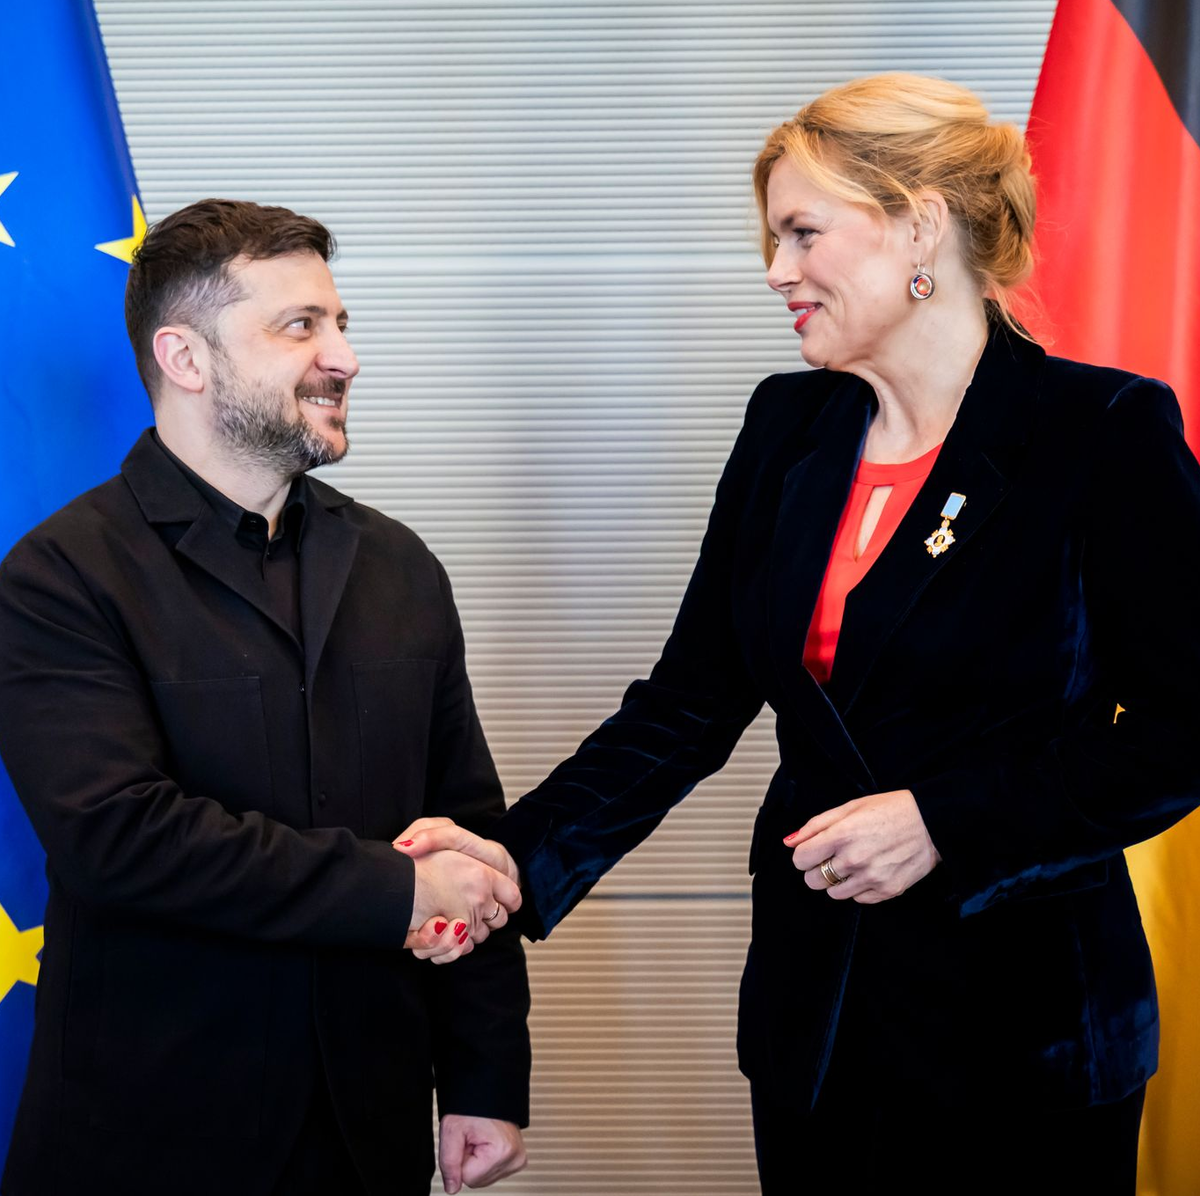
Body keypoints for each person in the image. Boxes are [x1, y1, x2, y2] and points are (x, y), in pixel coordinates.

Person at [396, 74, 1200, 1193]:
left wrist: (947, 822)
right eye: (774, 237)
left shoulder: (1100, 429)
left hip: (1024, 1036)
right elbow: (688, 703)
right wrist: (515, 861)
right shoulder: (787, 426)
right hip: (817, 1022)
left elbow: (1182, 727)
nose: (777, 271)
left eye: (802, 232)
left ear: (918, 222)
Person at [0, 199, 530, 1196]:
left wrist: (485, 1076)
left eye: (341, 322)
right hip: (148, 1142)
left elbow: (465, 832)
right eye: (301, 326)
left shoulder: (399, 565)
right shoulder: (60, 575)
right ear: (186, 358)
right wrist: (395, 891)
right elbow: (118, 836)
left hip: (368, 1133)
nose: (346, 357)